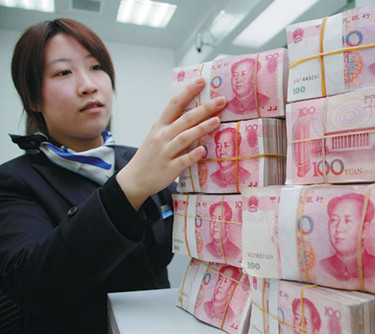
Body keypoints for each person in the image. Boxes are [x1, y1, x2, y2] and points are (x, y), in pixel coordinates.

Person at [0, 18, 226, 334]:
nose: (88, 85)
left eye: (96, 67)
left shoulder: (138, 158)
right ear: (34, 98)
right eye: (63, 72)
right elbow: (33, 284)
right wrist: (130, 186)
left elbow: (202, 228)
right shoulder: (13, 181)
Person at [320, 193, 375, 281]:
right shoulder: (321, 267)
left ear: (364, 229)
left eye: (347, 220)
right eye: (334, 220)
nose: (339, 228)